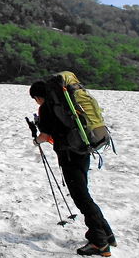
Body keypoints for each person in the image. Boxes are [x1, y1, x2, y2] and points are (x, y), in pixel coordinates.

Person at [30, 78, 115, 257]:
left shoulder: (47, 108)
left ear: (38, 97)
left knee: (82, 198)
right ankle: (107, 234)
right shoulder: (65, 105)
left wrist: (35, 140)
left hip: (69, 155)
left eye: (35, 99)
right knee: (85, 194)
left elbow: (45, 136)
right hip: (83, 151)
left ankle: (99, 243)